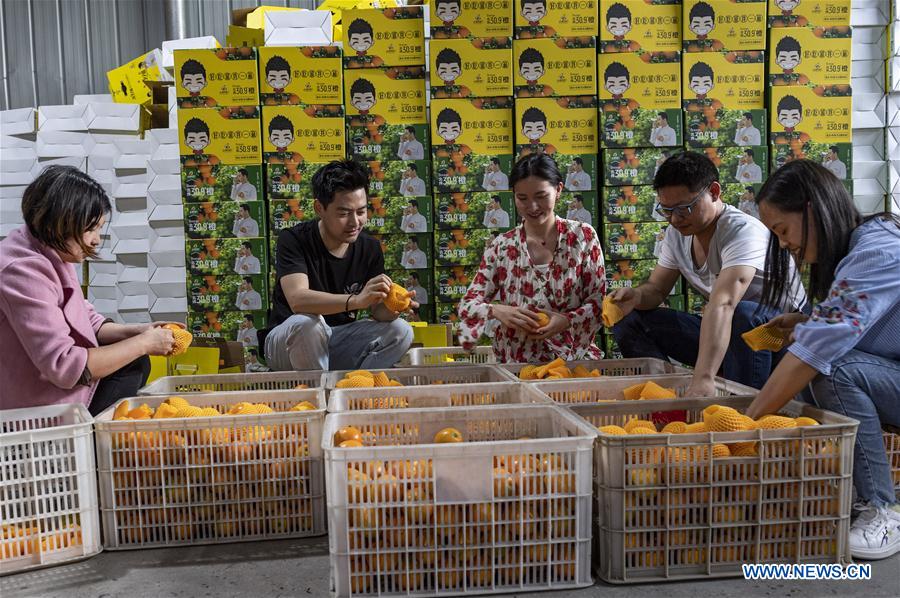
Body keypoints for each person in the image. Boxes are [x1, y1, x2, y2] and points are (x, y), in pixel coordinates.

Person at [743, 160, 900, 560]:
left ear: (812, 209)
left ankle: (882, 510)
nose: (784, 245)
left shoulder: (877, 252)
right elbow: (855, 324)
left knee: (834, 370)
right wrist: (810, 320)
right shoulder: (860, 248)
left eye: (782, 230)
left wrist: (743, 427)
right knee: (827, 359)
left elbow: (818, 353)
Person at [608, 152, 807, 393]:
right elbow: (657, 289)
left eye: (684, 208)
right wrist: (636, 297)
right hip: (730, 332)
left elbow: (724, 303)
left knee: (742, 314)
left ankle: (743, 411)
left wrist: (703, 376)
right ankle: (662, 399)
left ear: (713, 192)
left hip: (782, 336)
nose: (675, 219)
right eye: (667, 210)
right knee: (631, 318)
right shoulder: (676, 235)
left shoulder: (743, 232)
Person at [0, 166, 178, 414]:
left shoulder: (50, 251)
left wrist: (140, 332)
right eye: (91, 228)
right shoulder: (20, 271)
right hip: (33, 409)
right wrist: (143, 344)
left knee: (134, 362)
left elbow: (86, 320)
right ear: (59, 221)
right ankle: (89, 446)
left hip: (55, 390)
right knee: (134, 360)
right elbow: (63, 366)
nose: (96, 240)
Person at [262, 159, 415, 371]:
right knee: (307, 325)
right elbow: (298, 300)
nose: (355, 222)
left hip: (336, 340)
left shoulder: (369, 248)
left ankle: (356, 389)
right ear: (319, 208)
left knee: (401, 330)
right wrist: (356, 300)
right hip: (288, 344)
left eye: (361, 212)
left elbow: (377, 312)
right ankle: (317, 395)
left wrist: (393, 306)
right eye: (344, 214)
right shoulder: (294, 239)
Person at [458, 153, 606, 362]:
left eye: (541, 196)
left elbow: (599, 301)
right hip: (516, 365)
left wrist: (566, 320)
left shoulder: (582, 237)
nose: (533, 207)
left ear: (559, 190)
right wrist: (497, 311)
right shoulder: (502, 247)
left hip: (573, 363)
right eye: (522, 198)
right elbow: (468, 305)